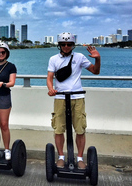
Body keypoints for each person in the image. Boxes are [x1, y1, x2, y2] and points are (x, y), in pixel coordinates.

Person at [46, 32, 101, 169]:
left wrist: (98, 59)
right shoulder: (54, 59)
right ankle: (61, 157)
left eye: (69, 44)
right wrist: (51, 89)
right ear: (59, 45)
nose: (66, 46)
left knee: (80, 129)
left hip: (77, 97)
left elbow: (95, 71)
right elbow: (49, 77)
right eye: (63, 44)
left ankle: (80, 158)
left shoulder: (80, 57)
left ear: (73, 45)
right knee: (59, 129)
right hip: (60, 97)